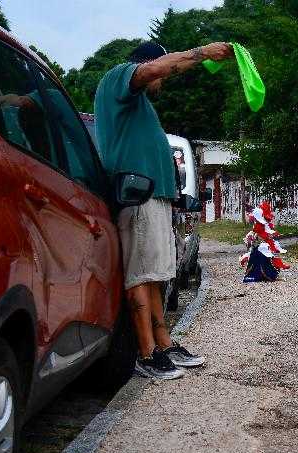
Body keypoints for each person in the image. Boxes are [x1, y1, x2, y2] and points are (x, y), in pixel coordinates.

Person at [94, 41, 233, 380]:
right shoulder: (117, 80)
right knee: (140, 275)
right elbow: (153, 71)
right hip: (137, 198)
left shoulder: (139, 103)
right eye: (160, 74)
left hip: (152, 200)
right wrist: (201, 54)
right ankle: (145, 353)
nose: (161, 83)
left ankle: (163, 344)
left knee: (155, 276)